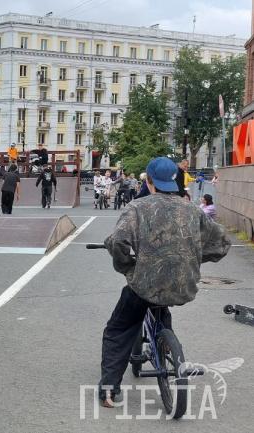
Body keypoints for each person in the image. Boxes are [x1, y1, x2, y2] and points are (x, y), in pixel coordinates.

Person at [98, 157, 230, 408]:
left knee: (118, 330)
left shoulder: (137, 208)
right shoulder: (192, 209)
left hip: (145, 284)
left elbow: (119, 242)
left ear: (149, 181)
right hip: (183, 284)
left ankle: (108, 390)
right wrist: (192, 259)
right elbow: (222, 243)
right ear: (174, 181)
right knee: (162, 304)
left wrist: (126, 266)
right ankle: (168, 347)